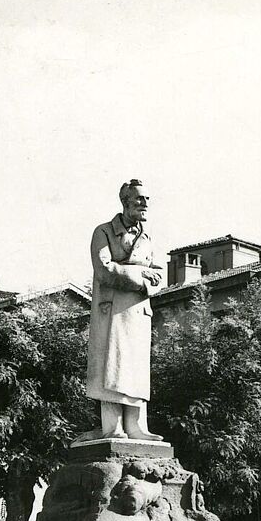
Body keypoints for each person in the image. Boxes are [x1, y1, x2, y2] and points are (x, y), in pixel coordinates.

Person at [74, 179, 165, 442]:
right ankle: (112, 428)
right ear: (125, 202)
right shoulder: (103, 232)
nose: (145, 203)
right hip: (112, 310)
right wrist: (140, 275)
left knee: (135, 369)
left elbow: (158, 274)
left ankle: (137, 427)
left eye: (147, 199)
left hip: (139, 312)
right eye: (139, 199)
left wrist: (151, 280)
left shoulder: (147, 237)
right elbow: (104, 269)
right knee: (112, 367)